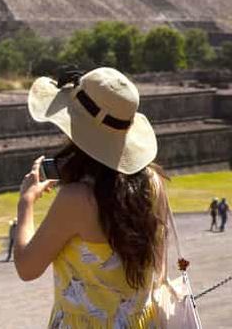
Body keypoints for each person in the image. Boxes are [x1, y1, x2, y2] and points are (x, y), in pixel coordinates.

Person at [14, 67, 170, 327]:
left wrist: (25, 203)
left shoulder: (77, 199)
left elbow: (27, 268)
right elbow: (158, 265)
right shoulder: (153, 182)